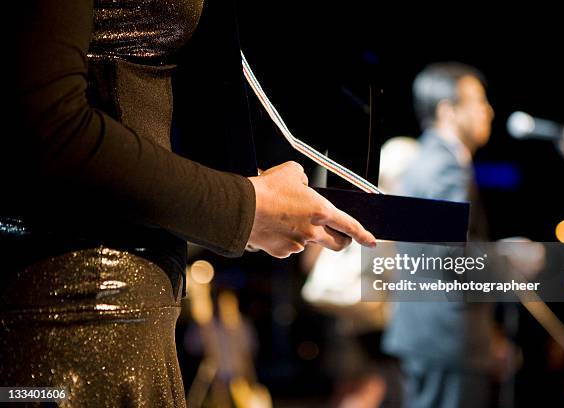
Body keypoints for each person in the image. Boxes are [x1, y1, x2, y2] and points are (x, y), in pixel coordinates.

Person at [1, 1, 375, 406]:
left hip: (125, 300)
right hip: (70, 306)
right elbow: (49, 124)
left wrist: (248, 199)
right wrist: (245, 207)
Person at [382, 62, 495, 408]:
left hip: (429, 335)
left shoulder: (427, 158)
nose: (487, 110)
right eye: (477, 101)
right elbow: (446, 255)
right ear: (448, 111)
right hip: (446, 338)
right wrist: (509, 259)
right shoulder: (445, 165)